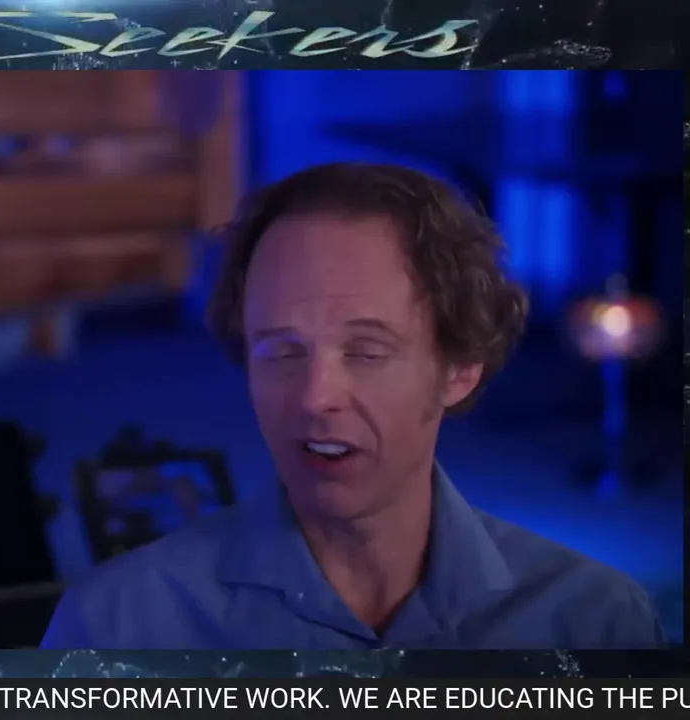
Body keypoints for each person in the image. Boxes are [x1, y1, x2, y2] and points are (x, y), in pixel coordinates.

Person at [41, 163, 665, 650]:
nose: (315, 397)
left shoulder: (595, 623)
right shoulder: (118, 626)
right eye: (283, 353)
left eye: (366, 352)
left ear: (459, 367)